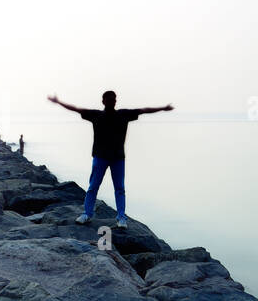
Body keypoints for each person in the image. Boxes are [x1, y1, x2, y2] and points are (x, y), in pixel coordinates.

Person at [47, 91, 174, 228]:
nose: (111, 102)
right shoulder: (96, 115)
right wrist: (59, 102)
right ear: (103, 101)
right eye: (109, 99)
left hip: (117, 158)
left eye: (113, 99)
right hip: (100, 158)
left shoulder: (123, 115)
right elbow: (76, 109)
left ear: (115, 101)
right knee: (93, 187)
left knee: (119, 188)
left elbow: (144, 110)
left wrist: (162, 108)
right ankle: (87, 214)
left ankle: (121, 218)